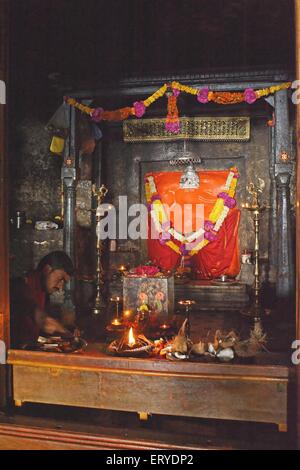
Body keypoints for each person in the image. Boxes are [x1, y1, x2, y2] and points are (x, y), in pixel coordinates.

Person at [10, 251, 75, 348]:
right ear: (47, 269)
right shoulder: (21, 286)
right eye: (60, 279)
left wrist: (68, 329)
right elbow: (40, 317)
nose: (60, 287)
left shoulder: (44, 292)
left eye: (64, 283)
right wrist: (65, 332)